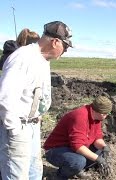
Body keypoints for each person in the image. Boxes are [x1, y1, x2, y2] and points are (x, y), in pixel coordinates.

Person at [0, 21, 72, 180]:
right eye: (65, 47)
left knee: (34, 172)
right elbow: (5, 98)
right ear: (55, 42)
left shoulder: (42, 60)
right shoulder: (22, 58)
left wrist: (37, 115)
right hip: (18, 127)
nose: (64, 52)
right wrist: (14, 129)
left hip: (32, 125)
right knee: (16, 174)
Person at [43, 96, 112, 179]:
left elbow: (97, 137)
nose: (106, 116)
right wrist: (98, 159)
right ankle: (59, 176)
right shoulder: (80, 117)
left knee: (100, 152)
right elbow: (77, 146)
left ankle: (76, 170)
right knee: (78, 161)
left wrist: (104, 147)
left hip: (71, 148)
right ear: (100, 112)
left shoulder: (96, 117)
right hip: (55, 150)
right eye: (105, 114)